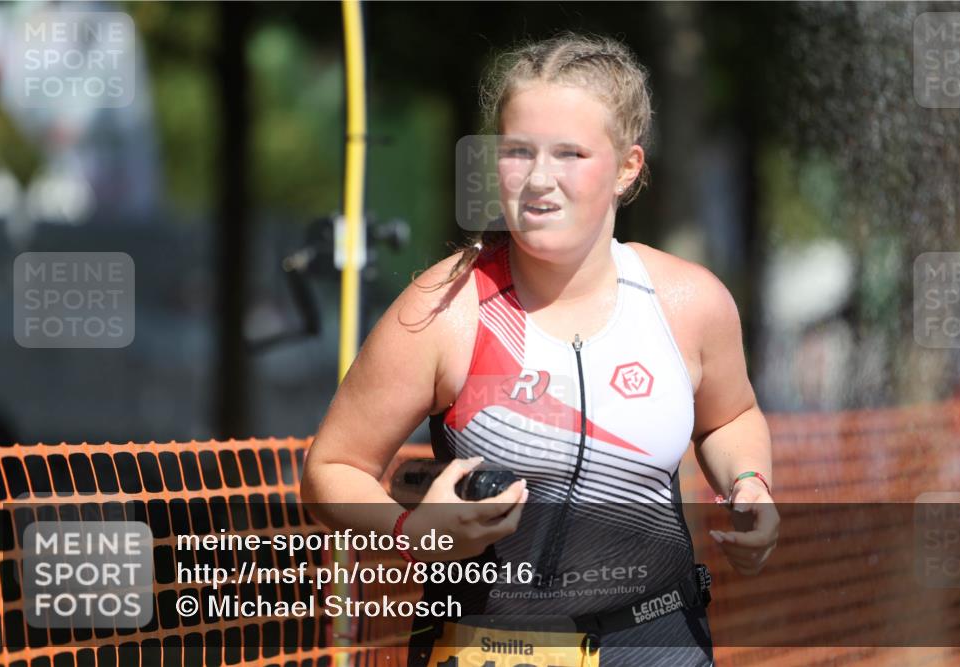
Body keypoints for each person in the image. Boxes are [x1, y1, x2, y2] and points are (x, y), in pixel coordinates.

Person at [302, 31, 778, 667]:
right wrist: (410, 531)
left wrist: (749, 484)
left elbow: (730, 417)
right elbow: (329, 469)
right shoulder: (444, 309)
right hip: (494, 645)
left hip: (659, 639)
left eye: (571, 153)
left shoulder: (690, 302)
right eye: (518, 152)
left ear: (628, 167)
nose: (538, 180)